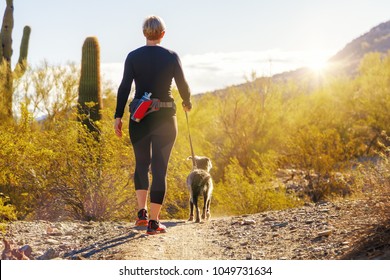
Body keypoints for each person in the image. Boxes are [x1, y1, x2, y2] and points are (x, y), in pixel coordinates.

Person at [114, 15, 192, 235]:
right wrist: (187, 102)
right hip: (166, 117)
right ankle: (154, 223)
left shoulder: (133, 56)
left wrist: (118, 116)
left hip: (139, 117)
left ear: (144, 33)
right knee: (159, 169)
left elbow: (124, 88)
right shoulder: (171, 56)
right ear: (163, 34)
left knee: (141, 164)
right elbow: (183, 85)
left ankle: (141, 214)